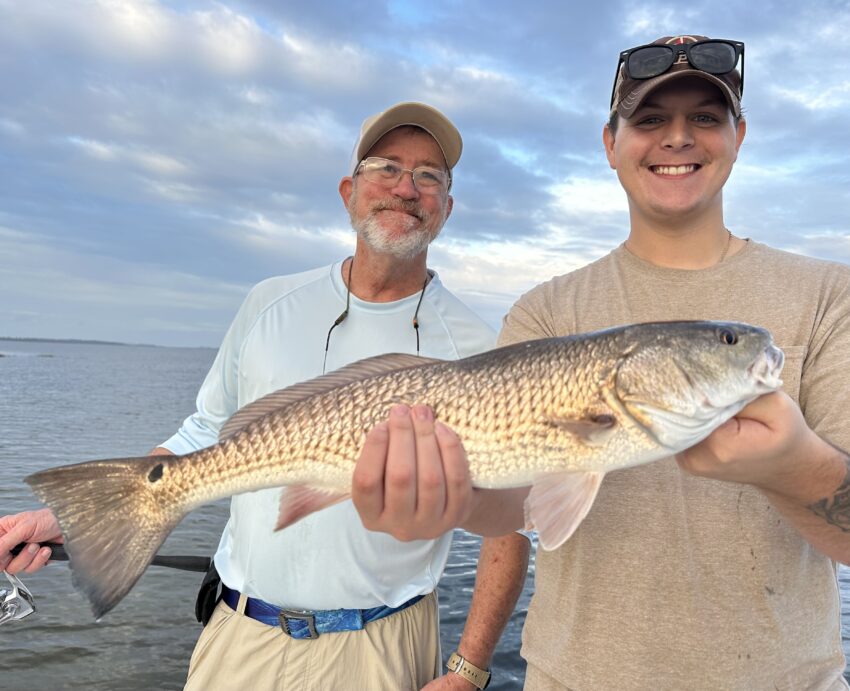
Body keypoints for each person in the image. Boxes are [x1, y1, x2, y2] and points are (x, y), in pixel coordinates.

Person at [350, 37, 850, 690]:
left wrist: (794, 467)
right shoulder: (545, 309)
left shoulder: (829, 293)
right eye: (649, 120)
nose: (677, 138)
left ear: (739, 135)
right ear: (610, 144)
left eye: (705, 117)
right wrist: (445, 499)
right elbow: (512, 507)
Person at [0, 101, 530, 691]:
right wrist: (76, 521)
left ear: (447, 208)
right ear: (349, 191)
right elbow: (207, 431)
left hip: (385, 646)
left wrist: (468, 668)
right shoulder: (269, 301)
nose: (406, 188)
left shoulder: (484, 346)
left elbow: (507, 525)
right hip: (239, 635)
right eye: (386, 167)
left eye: (429, 175)